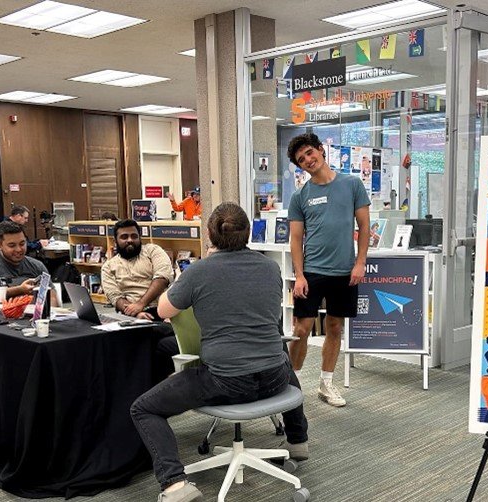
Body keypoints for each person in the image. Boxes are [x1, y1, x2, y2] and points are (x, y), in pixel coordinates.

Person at [131, 203, 309, 502]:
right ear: (247, 233)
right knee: (277, 349)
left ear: (210, 236)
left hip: (227, 382)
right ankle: (298, 440)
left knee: (143, 408)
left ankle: (175, 485)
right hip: (275, 378)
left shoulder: (199, 271)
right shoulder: (270, 267)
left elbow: (163, 310)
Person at [287, 133, 370, 407]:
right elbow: (296, 239)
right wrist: (299, 275)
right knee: (302, 328)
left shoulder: (352, 184)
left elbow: (365, 228)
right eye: (301, 160)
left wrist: (359, 263)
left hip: (345, 271)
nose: (308, 160)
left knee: (335, 326)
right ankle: (290, 385)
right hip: (311, 271)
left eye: (310, 153)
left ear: (321, 151)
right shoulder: (301, 196)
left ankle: (326, 385)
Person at [101, 219, 174, 320]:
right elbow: (115, 297)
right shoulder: (108, 267)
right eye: (124, 237)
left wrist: (141, 304)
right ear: (115, 241)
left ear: (140, 237)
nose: (130, 240)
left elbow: (162, 278)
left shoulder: (153, 251)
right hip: (128, 314)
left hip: (159, 309)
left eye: (134, 236)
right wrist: (135, 314)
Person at [0, 220, 49, 302]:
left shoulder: (37, 265)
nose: (19, 249)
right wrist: (18, 290)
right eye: (12, 245)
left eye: (22, 244)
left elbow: (52, 295)